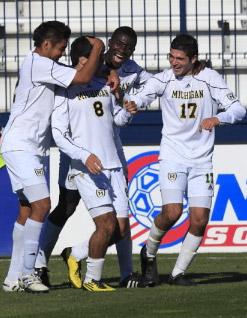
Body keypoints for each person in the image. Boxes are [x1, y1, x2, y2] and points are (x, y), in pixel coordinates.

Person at [1, 20, 119, 293]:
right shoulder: (38, 64)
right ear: (45, 45)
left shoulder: (44, 65)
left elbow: (79, 71)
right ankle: (30, 274)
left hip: (34, 147)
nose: (63, 53)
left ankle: (12, 278)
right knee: (43, 205)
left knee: (27, 210)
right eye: (60, 48)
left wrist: (109, 69)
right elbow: (82, 77)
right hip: (21, 145)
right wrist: (98, 47)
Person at [34, 26, 152, 289]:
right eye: (116, 46)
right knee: (67, 205)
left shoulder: (129, 72)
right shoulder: (68, 80)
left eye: (128, 46)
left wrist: (129, 103)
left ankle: (124, 273)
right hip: (79, 152)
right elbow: (59, 130)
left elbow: (151, 87)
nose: (122, 51)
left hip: (110, 147)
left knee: (120, 222)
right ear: (107, 46)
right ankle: (39, 264)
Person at [126, 33, 246, 286]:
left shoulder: (210, 79)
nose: (174, 62)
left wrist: (218, 118)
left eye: (180, 58)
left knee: (200, 220)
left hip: (202, 161)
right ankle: (148, 254)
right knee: (171, 213)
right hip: (173, 156)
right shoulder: (166, 78)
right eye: (171, 56)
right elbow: (144, 93)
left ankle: (177, 273)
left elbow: (238, 109)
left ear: (193, 59)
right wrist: (134, 102)